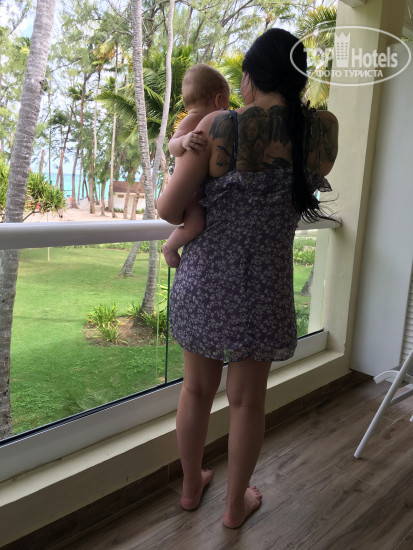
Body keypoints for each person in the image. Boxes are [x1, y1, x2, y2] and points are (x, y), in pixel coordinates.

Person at [158, 28, 338, 529]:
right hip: (265, 287)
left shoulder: (219, 127)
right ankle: (235, 507)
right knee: (248, 402)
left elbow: (169, 208)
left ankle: (191, 487)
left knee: (196, 392)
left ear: (250, 78)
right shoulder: (322, 132)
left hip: (205, 284)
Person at [162, 64, 230, 268]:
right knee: (196, 225)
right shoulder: (193, 119)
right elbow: (172, 145)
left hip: (197, 190)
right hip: (191, 193)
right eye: (226, 105)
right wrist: (183, 141)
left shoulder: (202, 121)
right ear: (218, 100)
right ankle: (170, 247)